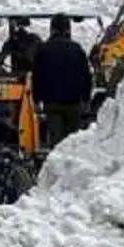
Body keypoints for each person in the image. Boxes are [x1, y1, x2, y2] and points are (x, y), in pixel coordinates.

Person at [31, 14, 93, 147]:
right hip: (74, 104)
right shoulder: (77, 49)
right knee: (73, 142)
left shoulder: (43, 49)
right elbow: (86, 76)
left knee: (57, 142)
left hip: (52, 103)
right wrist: (86, 99)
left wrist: (36, 100)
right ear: (68, 29)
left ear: (52, 29)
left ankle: (57, 163)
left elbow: (37, 77)